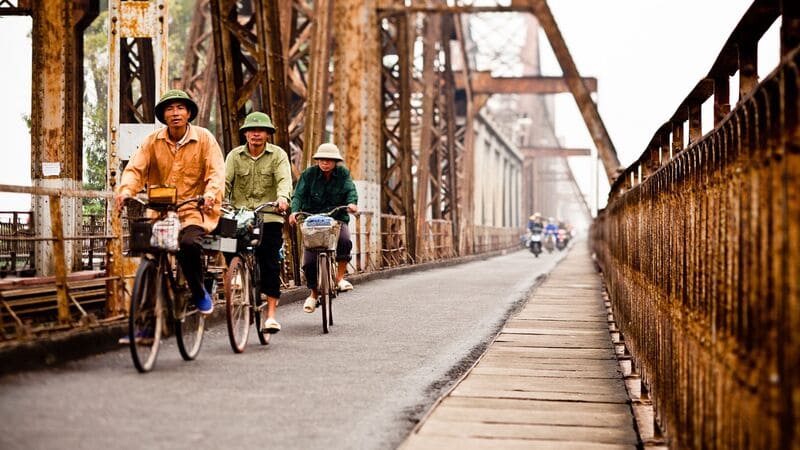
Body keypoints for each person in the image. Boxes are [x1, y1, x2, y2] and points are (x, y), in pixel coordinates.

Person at [115, 89, 225, 316]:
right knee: (147, 252)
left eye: (180, 108)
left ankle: (198, 291)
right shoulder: (151, 142)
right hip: (161, 212)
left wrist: (211, 194)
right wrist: (125, 191)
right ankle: (148, 317)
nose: (175, 113)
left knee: (188, 244)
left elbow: (216, 172)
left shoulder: (204, 139)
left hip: (193, 210)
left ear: (188, 113)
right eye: (169, 109)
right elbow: (135, 169)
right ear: (163, 115)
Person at [225, 111, 291, 334]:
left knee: (269, 259)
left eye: (261, 130)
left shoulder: (278, 155)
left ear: (268, 134)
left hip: (268, 215)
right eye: (251, 130)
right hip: (239, 214)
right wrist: (217, 201)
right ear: (245, 134)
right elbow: (224, 182)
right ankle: (237, 276)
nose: (256, 134)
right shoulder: (234, 156)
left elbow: (284, 179)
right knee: (225, 242)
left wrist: (283, 198)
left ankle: (271, 314)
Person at [288, 143, 358, 313]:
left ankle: (340, 278)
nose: (325, 163)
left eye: (329, 160)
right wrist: (294, 211)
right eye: (321, 159)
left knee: (344, 240)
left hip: (336, 218)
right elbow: (298, 195)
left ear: (335, 162)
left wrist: (352, 203)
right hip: (312, 220)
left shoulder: (343, 174)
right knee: (310, 260)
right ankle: (313, 294)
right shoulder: (308, 175)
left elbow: (350, 190)